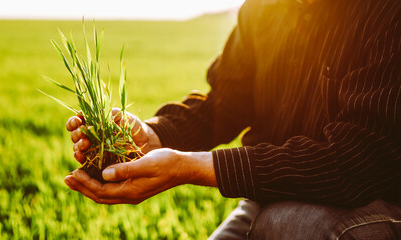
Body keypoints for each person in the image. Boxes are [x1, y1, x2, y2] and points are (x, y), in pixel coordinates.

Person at [64, 0, 401, 238]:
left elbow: (359, 161)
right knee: (275, 219)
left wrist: (189, 167)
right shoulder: (263, 8)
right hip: (274, 197)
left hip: (380, 203)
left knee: (288, 226)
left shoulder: (387, 12)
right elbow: (224, 102)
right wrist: (154, 135)